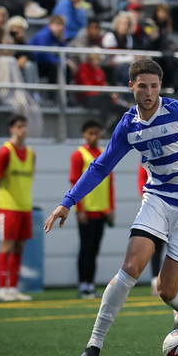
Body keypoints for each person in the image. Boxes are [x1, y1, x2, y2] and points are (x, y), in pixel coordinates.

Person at [44, 59, 178, 356]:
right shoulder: (128, 124)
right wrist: (68, 201)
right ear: (131, 86)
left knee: (166, 289)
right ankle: (95, 343)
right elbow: (101, 165)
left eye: (154, 86)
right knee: (130, 267)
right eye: (142, 86)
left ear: (160, 86)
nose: (149, 92)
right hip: (158, 198)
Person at [0, 114, 35, 302]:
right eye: (19, 126)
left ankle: (13, 287)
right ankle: (2, 288)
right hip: (7, 207)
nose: (22, 130)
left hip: (25, 207)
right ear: (11, 129)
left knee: (19, 247)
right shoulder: (4, 152)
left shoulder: (31, 154)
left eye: (24, 126)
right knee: (6, 246)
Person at [70, 119, 115, 299]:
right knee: (85, 248)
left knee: (95, 249)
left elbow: (110, 183)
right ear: (84, 134)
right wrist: (79, 208)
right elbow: (74, 181)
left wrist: (111, 207)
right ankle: (83, 285)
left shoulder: (104, 154)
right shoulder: (79, 155)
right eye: (90, 133)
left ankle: (90, 284)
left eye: (97, 133)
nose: (94, 137)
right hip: (86, 211)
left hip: (101, 211)